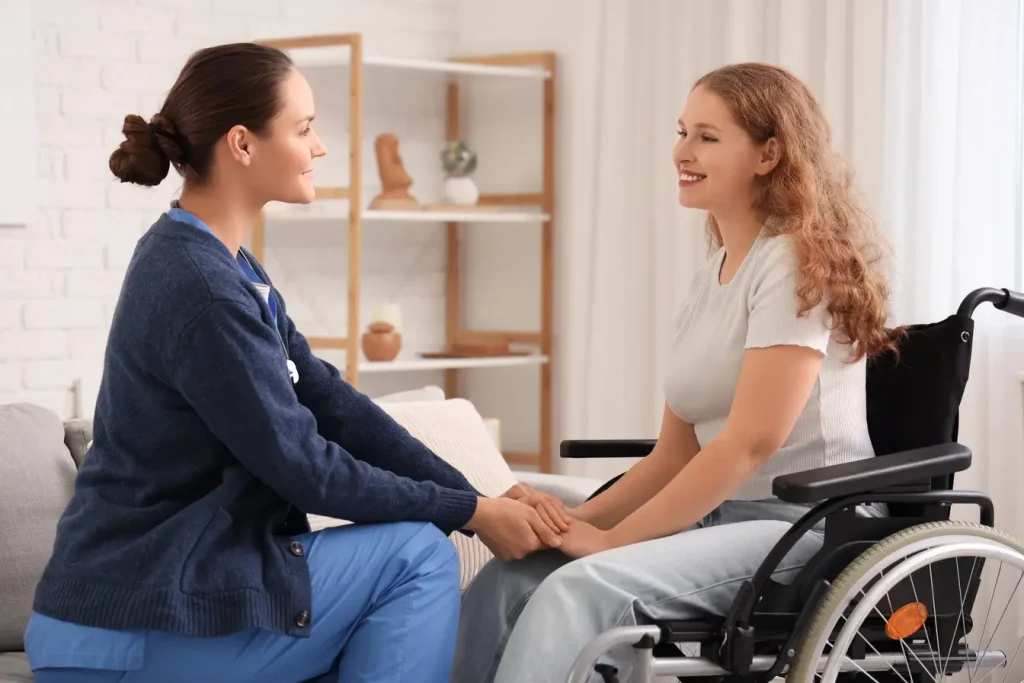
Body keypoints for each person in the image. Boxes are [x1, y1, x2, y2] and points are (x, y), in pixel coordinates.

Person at [24, 42, 570, 683]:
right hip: (132, 627)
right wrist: (470, 515)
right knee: (417, 556)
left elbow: (334, 405)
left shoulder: (224, 266)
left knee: (388, 575)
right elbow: (306, 469)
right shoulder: (203, 286)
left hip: (133, 613)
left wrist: (480, 495)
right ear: (243, 145)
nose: (321, 147)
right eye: (304, 128)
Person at [450, 62, 895, 683]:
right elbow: (673, 456)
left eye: (707, 137)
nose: (681, 151)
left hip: (805, 529)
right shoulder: (712, 272)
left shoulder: (793, 262)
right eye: (681, 131)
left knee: (580, 588)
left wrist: (610, 543)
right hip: (720, 518)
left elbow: (749, 443)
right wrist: (569, 523)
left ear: (769, 155)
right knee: (512, 576)